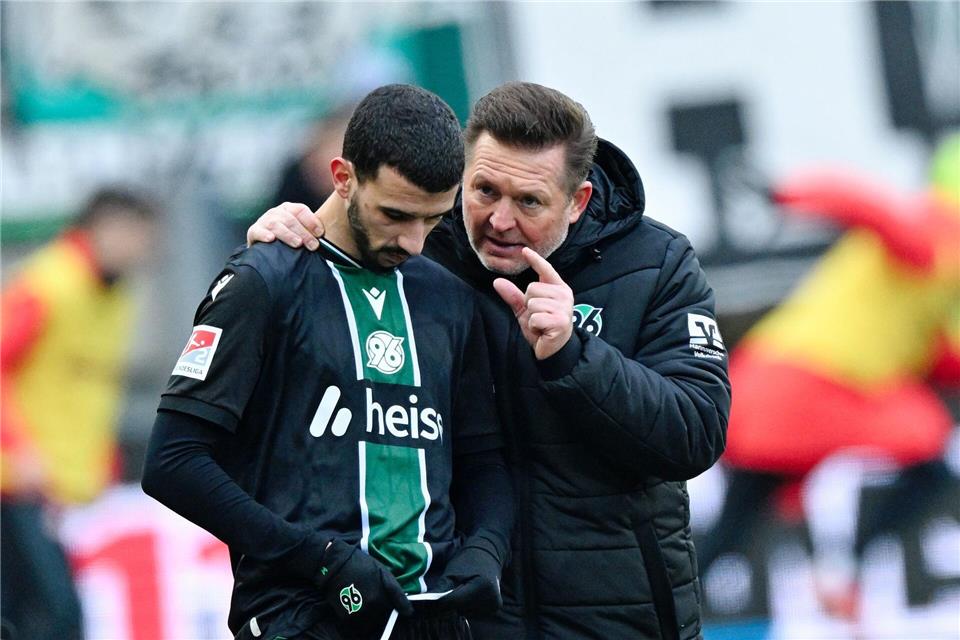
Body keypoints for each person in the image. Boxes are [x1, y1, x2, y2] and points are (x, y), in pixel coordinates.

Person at [249, 81, 732, 640]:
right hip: (463, 615)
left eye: (528, 201)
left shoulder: (656, 263)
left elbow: (695, 433)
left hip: (620, 617)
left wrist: (576, 356)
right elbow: (320, 278)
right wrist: (289, 235)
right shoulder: (416, 249)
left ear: (577, 202)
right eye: (483, 190)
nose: (499, 219)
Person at [141, 84, 513, 640]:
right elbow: (173, 464)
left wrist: (486, 549)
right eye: (395, 214)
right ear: (342, 178)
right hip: (306, 614)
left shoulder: (448, 297)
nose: (413, 241)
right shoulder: (263, 281)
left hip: (429, 617)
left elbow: (484, 460)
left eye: (432, 220)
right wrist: (320, 558)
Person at [697, 133, 960, 619]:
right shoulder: (940, 235)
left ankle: (662, 612)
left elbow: (938, 355)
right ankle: (842, 571)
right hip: (810, 384)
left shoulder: (938, 269)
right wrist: (788, 194)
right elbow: (867, 207)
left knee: (741, 512)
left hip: (786, 381)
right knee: (927, 451)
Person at [1, 188, 159, 640]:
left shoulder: (114, 295)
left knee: (28, 610)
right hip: (18, 483)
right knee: (57, 614)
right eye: (139, 237)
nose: (144, 250)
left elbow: (86, 390)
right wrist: (20, 449)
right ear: (106, 229)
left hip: (65, 488)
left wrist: (99, 463)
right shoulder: (48, 284)